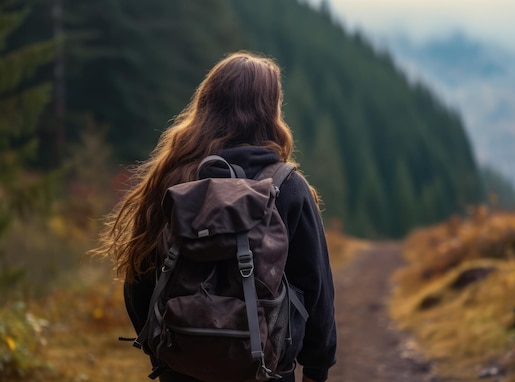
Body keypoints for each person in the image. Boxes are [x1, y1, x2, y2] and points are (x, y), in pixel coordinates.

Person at [93, 51, 337, 382]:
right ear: (271, 111)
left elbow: (139, 276)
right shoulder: (287, 187)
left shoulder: (175, 177)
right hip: (265, 370)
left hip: (181, 364)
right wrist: (317, 367)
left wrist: (162, 350)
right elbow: (316, 288)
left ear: (207, 104)